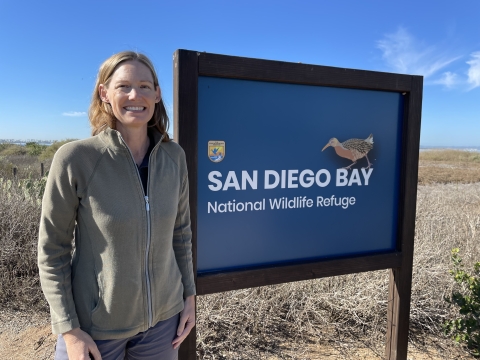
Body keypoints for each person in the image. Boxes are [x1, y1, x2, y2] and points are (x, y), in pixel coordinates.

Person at [38, 51, 196, 360]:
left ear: (157, 93)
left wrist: (188, 296)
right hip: (95, 330)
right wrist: (69, 329)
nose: (135, 95)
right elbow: (52, 250)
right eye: (123, 86)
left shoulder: (174, 157)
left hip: (164, 326)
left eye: (144, 86)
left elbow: (181, 233)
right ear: (104, 94)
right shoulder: (75, 159)